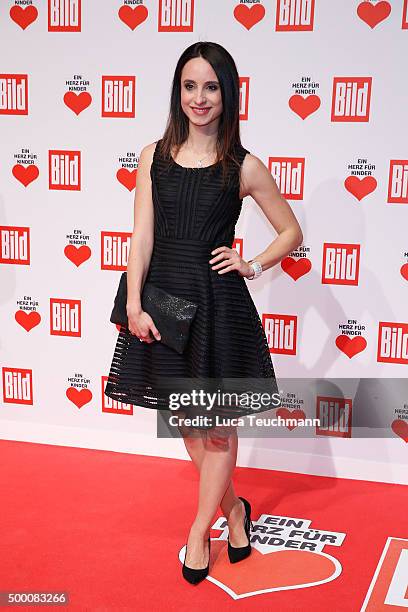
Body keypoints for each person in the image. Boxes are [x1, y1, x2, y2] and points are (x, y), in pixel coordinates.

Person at [104, 41, 303, 585]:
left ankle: (200, 532)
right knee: (189, 429)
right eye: (190, 86)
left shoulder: (243, 166)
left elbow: (291, 232)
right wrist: (133, 302)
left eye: (211, 86)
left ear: (228, 93)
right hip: (165, 306)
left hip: (217, 310)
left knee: (215, 430)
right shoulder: (153, 157)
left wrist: (252, 263)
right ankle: (234, 511)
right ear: (178, 91)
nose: (199, 98)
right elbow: (141, 235)